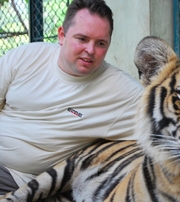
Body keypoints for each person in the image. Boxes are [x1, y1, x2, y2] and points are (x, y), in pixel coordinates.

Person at [0, 0, 143, 194]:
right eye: (82, 39)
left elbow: (168, 127)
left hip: (18, 179)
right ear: (62, 35)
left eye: (101, 43)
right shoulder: (27, 56)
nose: (90, 50)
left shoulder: (122, 92)